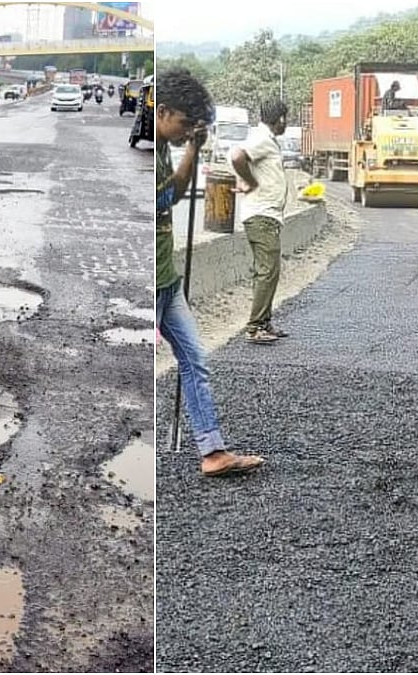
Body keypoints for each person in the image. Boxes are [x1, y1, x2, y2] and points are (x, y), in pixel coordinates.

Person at [156, 67, 265, 477]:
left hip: (168, 281)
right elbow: (166, 196)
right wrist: (191, 151)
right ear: (163, 111)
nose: (187, 133)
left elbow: (175, 195)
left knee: (194, 360)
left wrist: (192, 147)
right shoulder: (156, 150)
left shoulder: (169, 145)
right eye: (184, 124)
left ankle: (212, 451)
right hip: (153, 281)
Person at [230, 99, 292, 344]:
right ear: (281, 119)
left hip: (266, 216)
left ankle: (264, 322)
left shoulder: (266, 139)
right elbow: (237, 156)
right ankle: (255, 327)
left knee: (268, 272)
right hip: (262, 216)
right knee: (267, 272)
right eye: (286, 118)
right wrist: (251, 182)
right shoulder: (262, 139)